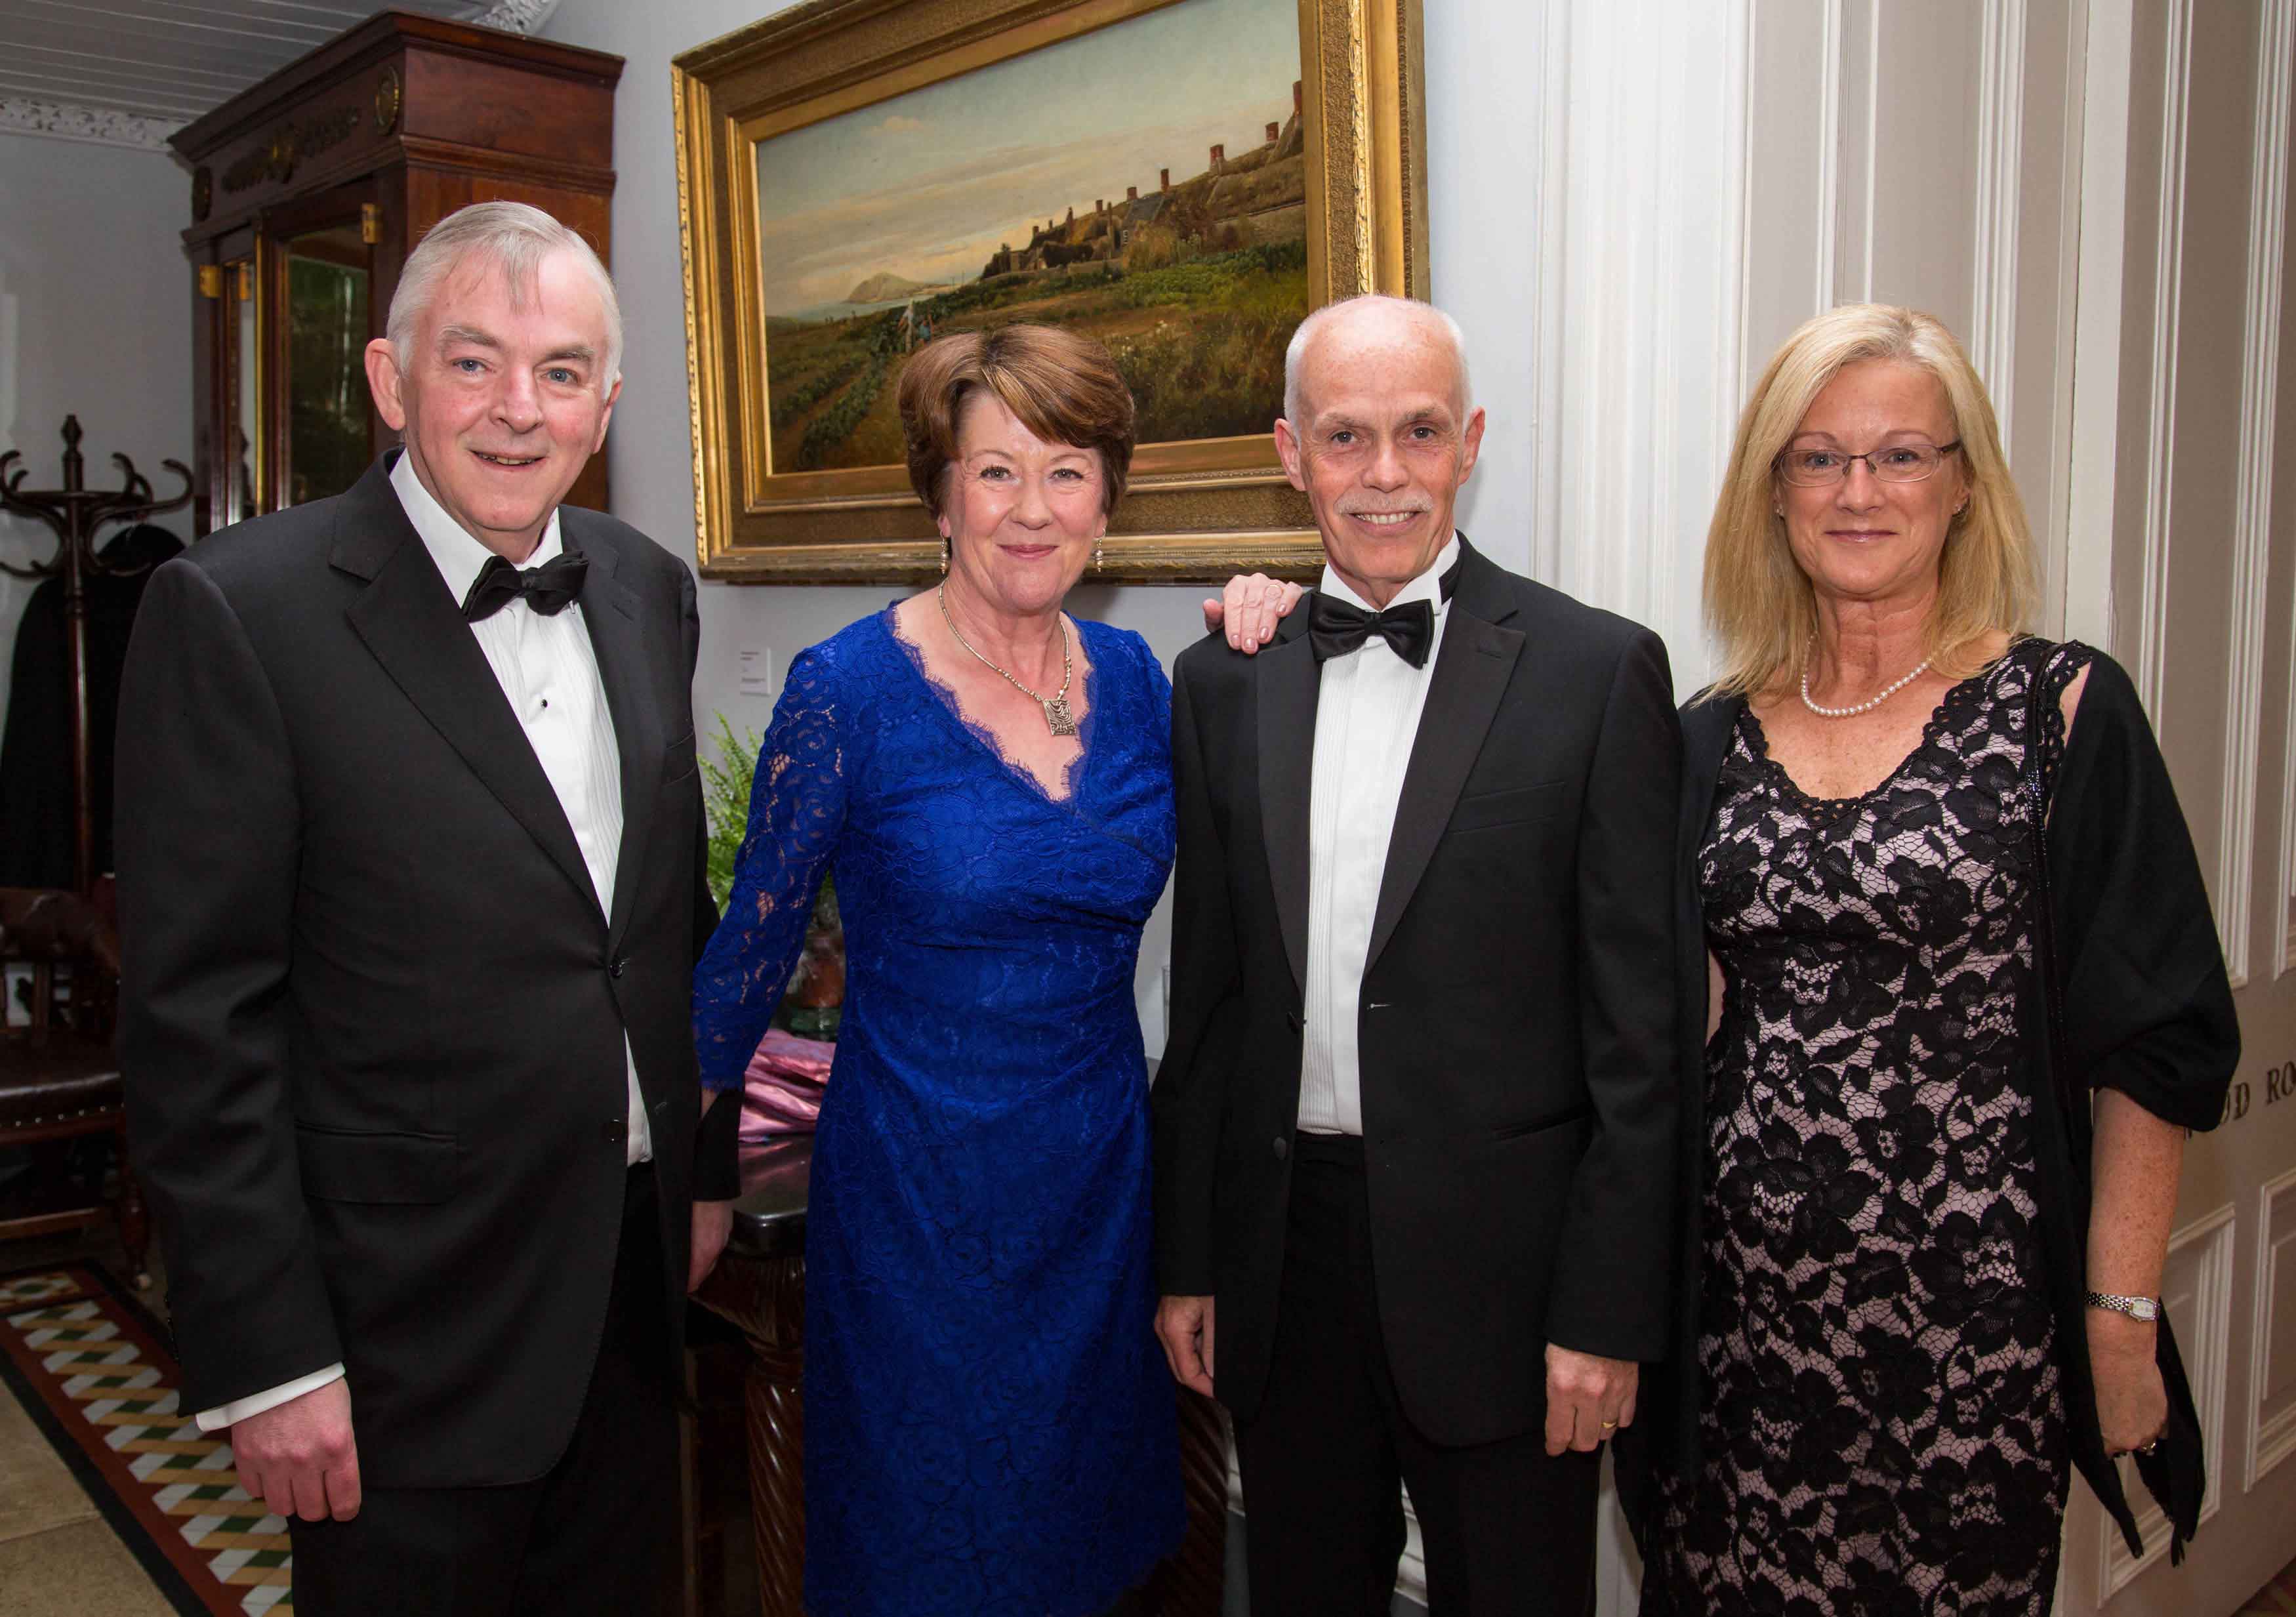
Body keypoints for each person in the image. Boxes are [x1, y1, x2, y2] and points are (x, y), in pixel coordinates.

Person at [115, 201, 731, 1615]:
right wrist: (271, 1358)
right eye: (474, 361)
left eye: (562, 371)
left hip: (625, 1306)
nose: (520, 409)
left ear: (606, 405)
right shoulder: (239, 611)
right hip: (398, 1339)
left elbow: (654, 927)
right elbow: (198, 1022)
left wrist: (694, 1173)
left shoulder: (648, 589)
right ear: (390, 382)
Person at [1631, 303, 2239, 1614]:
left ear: (1964, 484)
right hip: (1737, 1335)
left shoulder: (2061, 711)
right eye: (1818, 457)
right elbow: (1661, 1022)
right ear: (1773, 492)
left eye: (1901, 455)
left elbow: (2154, 1042)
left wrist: (2120, 1316)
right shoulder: (1703, 737)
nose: (1858, 491)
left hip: (1976, 1338)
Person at [687, 322, 1298, 1616]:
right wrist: (689, 1174)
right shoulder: (846, 690)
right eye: (996, 471)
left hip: (1100, 1203)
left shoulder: (1140, 679)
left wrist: (1297, 634)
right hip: (919, 1213)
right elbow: (746, 955)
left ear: (1108, 501)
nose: (1033, 509)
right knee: (932, 1556)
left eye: (1067, 472)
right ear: (941, 493)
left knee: (1094, 1555)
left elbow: (1264, 868)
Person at [1153, 293, 1683, 1613]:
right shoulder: (1222, 681)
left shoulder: (1595, 670)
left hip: (1512, 1283)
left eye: (1421, 432)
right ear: (1292, 454)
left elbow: (1643, 1039)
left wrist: (1606, 1310)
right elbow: (1210, 1002)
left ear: (1471, 442)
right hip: (1286, 1264)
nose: (1384, 473)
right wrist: (1190, 1259)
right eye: (1345, 436)